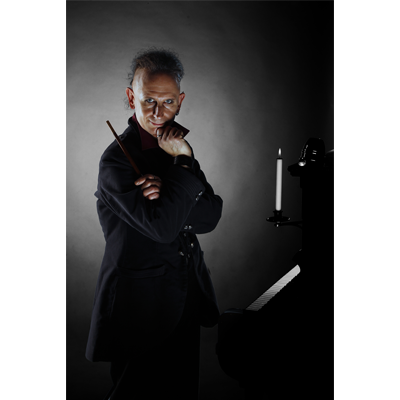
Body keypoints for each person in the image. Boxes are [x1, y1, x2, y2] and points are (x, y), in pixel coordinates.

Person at [85, 48, 223, 399]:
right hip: (139, 306)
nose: (159, 113)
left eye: (168, 102)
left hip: (185, 297)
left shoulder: (177, 147)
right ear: (132, 97)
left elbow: (210, 215)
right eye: (149, 101)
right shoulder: (115, 161)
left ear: (180, 101)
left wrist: (178, 172)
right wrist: (182, 172)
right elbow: (162, 229)